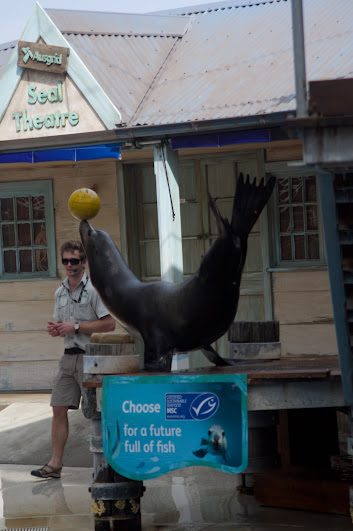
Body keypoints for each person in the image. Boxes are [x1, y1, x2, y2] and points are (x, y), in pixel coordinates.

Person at [31, 240, 115, 479]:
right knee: (57, 408)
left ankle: (109, 466)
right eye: (66, 260)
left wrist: (76, 326)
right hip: (67, 358)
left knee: (99, 413)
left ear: (84, 262)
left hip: (91, 360)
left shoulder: (94, 290)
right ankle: (55, 464)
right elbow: (63, 325)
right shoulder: (59, 292)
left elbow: (109, 323)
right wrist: (57, 329)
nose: (70, 265)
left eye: (75, 261)